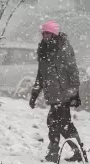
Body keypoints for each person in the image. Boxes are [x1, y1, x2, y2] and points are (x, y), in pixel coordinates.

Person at [29, 20, 88, 163]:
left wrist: (75, 93)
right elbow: (41, 74)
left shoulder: (64, 48)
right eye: (44, 34)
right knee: (56, 123)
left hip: (64, 93)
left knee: (61, 124)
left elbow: (73, 71)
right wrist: (35, 94)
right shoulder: (43, 50)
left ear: (54, 34)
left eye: (48, 34)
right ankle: (71, 153)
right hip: (52, 94)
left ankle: (61, 153)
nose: (45, 37)